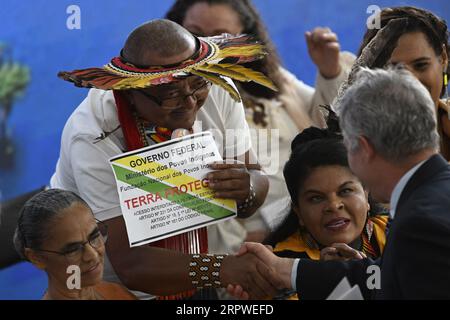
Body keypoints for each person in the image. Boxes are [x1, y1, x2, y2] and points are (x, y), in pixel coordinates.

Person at [51, 19, 277, 300]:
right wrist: (224, 269)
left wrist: (247, 188)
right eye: (171, 95)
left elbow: (254, 183)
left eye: (197, 85)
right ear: (130, 93)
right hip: (112, 288)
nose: (191, 102)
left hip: (198, 269)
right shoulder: (92, 135)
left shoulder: (217, 87)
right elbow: (131, 266)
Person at [230, 67, 450, 299]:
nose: (334, 205)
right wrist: (288, 271)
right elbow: (388, 277)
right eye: (316, 197)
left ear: (363, 149)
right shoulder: (429, 199)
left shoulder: (420, 223)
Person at [166, 0, 355, 244]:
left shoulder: (276, 82)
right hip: (239, 248)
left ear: (246, 40)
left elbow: (329, 130)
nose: (206, 47)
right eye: (195, 34)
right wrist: (250, 238)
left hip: (313, 226)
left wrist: (330, 71)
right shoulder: (174, 104)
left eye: (221, 36)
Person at [263, 120, 388, 299]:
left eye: (345, 191)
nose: (333, 205)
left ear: (366, 194)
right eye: (316, 198)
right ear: (298, 212)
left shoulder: (393, 232)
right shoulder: (279, 267)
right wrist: (323, 281)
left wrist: (358, 274)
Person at [336, 6, 450, 160]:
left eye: (421, 65)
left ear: (443, 58)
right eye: (395, 70)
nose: (411, 81)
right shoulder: (353, 151)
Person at [13, 189, 136, 300]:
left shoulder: (116, 293)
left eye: (94, 237)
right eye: (73, 250)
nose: (92, 255)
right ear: (37, 258)